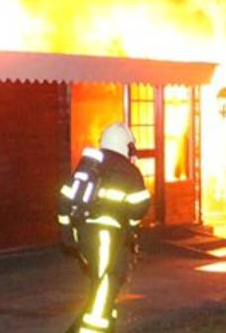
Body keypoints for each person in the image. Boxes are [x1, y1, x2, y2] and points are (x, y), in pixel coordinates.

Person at [58, 122, 151, 333]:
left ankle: (104, 326)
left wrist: (67, 233)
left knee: (102, 285)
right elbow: (140, 207)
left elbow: (64, 200)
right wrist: (131, 229)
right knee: (107, 282)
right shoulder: (128, 171)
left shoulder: (90, 165)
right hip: (106, 236)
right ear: (125, 145)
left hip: (83, 234)